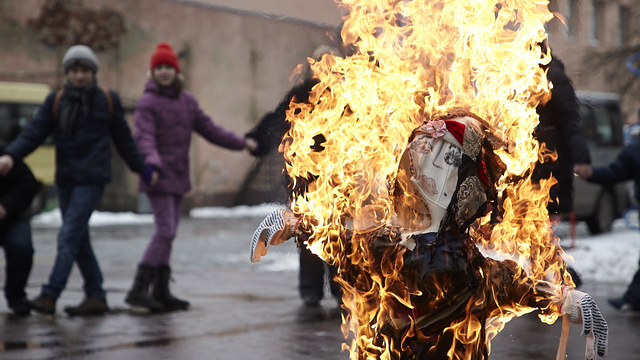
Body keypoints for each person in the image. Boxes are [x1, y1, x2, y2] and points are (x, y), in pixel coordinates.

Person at [252, 111, 608, 359]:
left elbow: (516, 286)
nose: (429, 167)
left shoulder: (473, 269)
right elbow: (342, 240)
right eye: (424, 155)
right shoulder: (387, 243)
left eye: (446, 160)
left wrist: (565, 298)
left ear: (468, 184)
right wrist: (297, 223)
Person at [0, 45, 153, 316]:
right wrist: (11, 155)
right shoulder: (56, 101)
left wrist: (142, 169)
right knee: (79, 238)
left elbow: (124, 139)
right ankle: (96, 295)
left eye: (84, 71)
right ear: (67, 73)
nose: (79, 76)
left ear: (93, 72)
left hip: (92, 179)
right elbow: (34, 132)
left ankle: (50, 294)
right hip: (66, 179)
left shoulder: (107, 99)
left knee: (68, 235)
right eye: (74, 70)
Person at [124, 42, 258, 311]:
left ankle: (161, 291)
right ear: (153, 72)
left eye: (168, 67)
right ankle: (138, 290)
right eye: (159, 67)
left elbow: (210, 129)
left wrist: (241, 143)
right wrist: (152, 163)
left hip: (178, 176)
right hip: (157, 176)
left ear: (176, 71)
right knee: (165, 231)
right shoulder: (147, 102)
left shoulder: (187, 101)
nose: (164, 72)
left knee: (169, 234)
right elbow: (144, 136)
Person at [245, 45, 344, 310]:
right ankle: (310, 290)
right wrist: (258, 140)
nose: (325, 66)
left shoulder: (347, 94)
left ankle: (339, 289)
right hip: (303, 179)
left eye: (330, 61)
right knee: (309, 234)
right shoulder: (301, 94)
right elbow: (278, 118)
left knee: (337, 235)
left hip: (337, 180)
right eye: (320, 61)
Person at [575, 137, 640, 311]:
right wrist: (591, 173)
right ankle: (634, 298)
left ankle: (633, 298)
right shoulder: (635, 150)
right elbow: (615, 172)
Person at [0, 143, 40, 316]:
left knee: (21, 246)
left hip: (11, 219)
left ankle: (16, 297)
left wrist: (5, 207)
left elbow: (29, 184)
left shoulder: (5, 156)